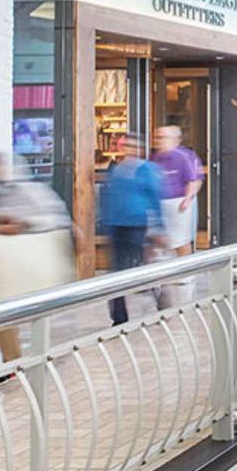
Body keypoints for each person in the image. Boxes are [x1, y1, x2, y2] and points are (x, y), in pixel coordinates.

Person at [0, 152, 74, 364]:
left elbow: (53, 220)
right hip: (8, 272)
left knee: (42, 315)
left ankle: (47, 356)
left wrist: (22, 224)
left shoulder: (34, 192)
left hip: (35, 268)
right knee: (5, 318)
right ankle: (11, 363)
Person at [96, 132, 163, 324]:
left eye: (134, 146)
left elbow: (154, 198)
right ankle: (119, 317)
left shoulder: (147, 170)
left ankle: (158, 300)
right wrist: (106, 224)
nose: (130, 150)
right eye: (127, 146)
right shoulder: (116, 171)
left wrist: (159, 227)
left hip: (137, 226)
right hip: (117, 226)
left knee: (138, 266)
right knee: (117, 270)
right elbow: (109, 199)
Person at [151, 125, 204, 257]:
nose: (158, 141)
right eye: (156, 137)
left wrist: (187, 199)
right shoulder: (154, 157)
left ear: (174, 140)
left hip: (178, 203)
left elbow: (194, 180)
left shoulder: (184, 156)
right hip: (160, 204)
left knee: (181, 241)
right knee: (160, 240)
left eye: (162, 137)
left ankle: (187, 275)